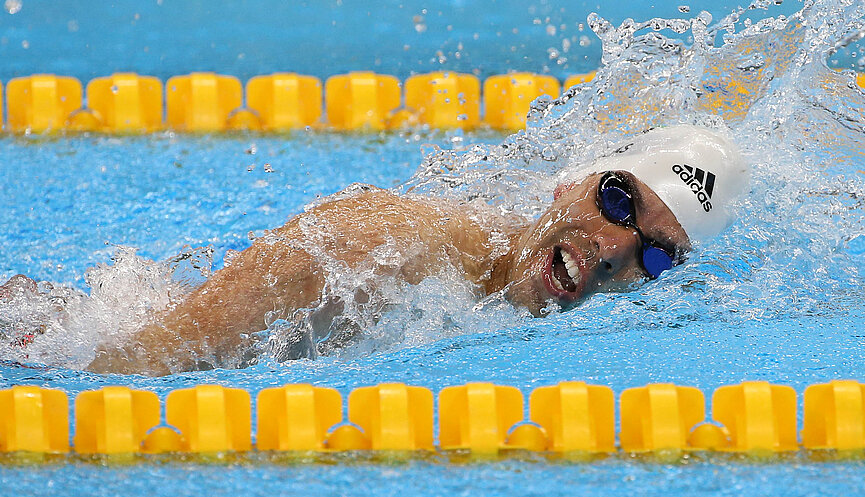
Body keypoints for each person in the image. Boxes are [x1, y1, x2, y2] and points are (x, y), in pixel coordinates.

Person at [3, 125, 748, 375]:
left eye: (657, 254)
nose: (616, 249)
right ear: (568, 183)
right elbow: (131, 368)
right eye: (618, 200)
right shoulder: (381, 246)